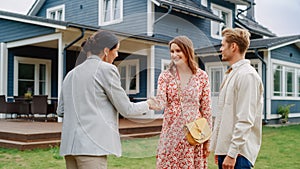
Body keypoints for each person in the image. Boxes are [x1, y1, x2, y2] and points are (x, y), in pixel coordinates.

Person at [56, 30, 156, 169]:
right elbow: (126, 109)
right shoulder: (106, 69)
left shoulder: (70, 74)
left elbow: (60, 111)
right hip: (92, 148)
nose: (117, 55)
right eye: (116, 50)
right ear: (106, 51)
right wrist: (149, 104)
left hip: (70, 148)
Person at [151, 36, 212, 168]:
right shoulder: (165, 76)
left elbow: (206, 108)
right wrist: (153, 103)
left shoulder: (201, 76)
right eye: (172, 51)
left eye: (178, 51)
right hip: (171, 130)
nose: (174, 55)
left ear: (187, 51)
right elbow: (161, 101)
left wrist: (208, 139)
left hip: (193, 131)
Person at [209, 28, 264, 169]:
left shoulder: (247, 76)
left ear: (233, 46)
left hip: (239, 156)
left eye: (222, 45)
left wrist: (232, 154)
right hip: (228, 152)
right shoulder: (232, 74)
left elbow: (245, 120)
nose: (220, 49)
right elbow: (225, 116)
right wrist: (219, 148)